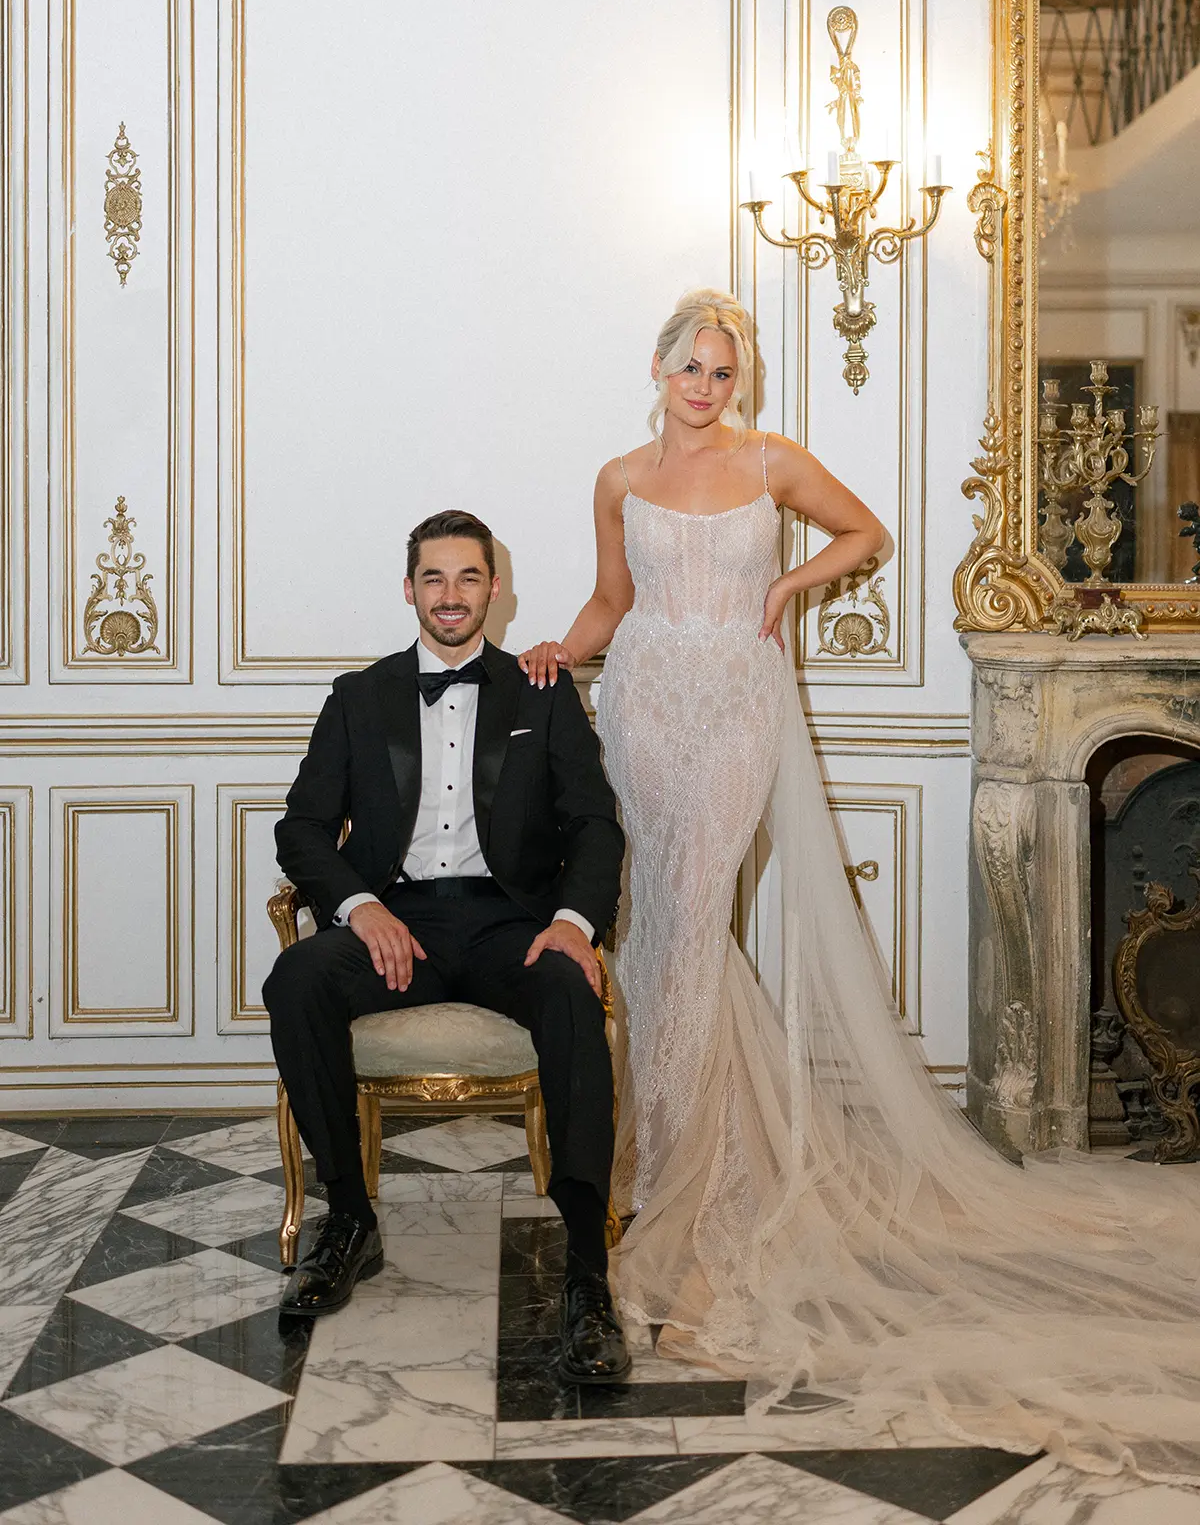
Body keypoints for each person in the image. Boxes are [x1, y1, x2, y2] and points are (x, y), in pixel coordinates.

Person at [519, 288, 1200, 1482]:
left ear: (742, 380)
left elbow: (867, 532)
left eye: (724, 372)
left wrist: (784, 591)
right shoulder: (618, 478)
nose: (706, 388)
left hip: (735, 707)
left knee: (687, 925)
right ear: (660, 367)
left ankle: (679, 1198)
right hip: (641, 708)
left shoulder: (772, 459)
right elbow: (611, 605)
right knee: (659, 933)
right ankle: (657, 1163)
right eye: (691, 368)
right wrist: (553, 651)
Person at [265, 509, 629, 1384]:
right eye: (435, 578)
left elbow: (595, 826)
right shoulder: (359, 696)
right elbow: (302, 827)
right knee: (297, 980)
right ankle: (349, 1219)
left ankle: (588, 1272)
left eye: (469, 577)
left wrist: (571, 925)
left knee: (574, 998)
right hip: (400, 922)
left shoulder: (542, 691)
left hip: (512, 923)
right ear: (409, 590)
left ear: (494, 590)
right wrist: (358, 907)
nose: (452, 595)